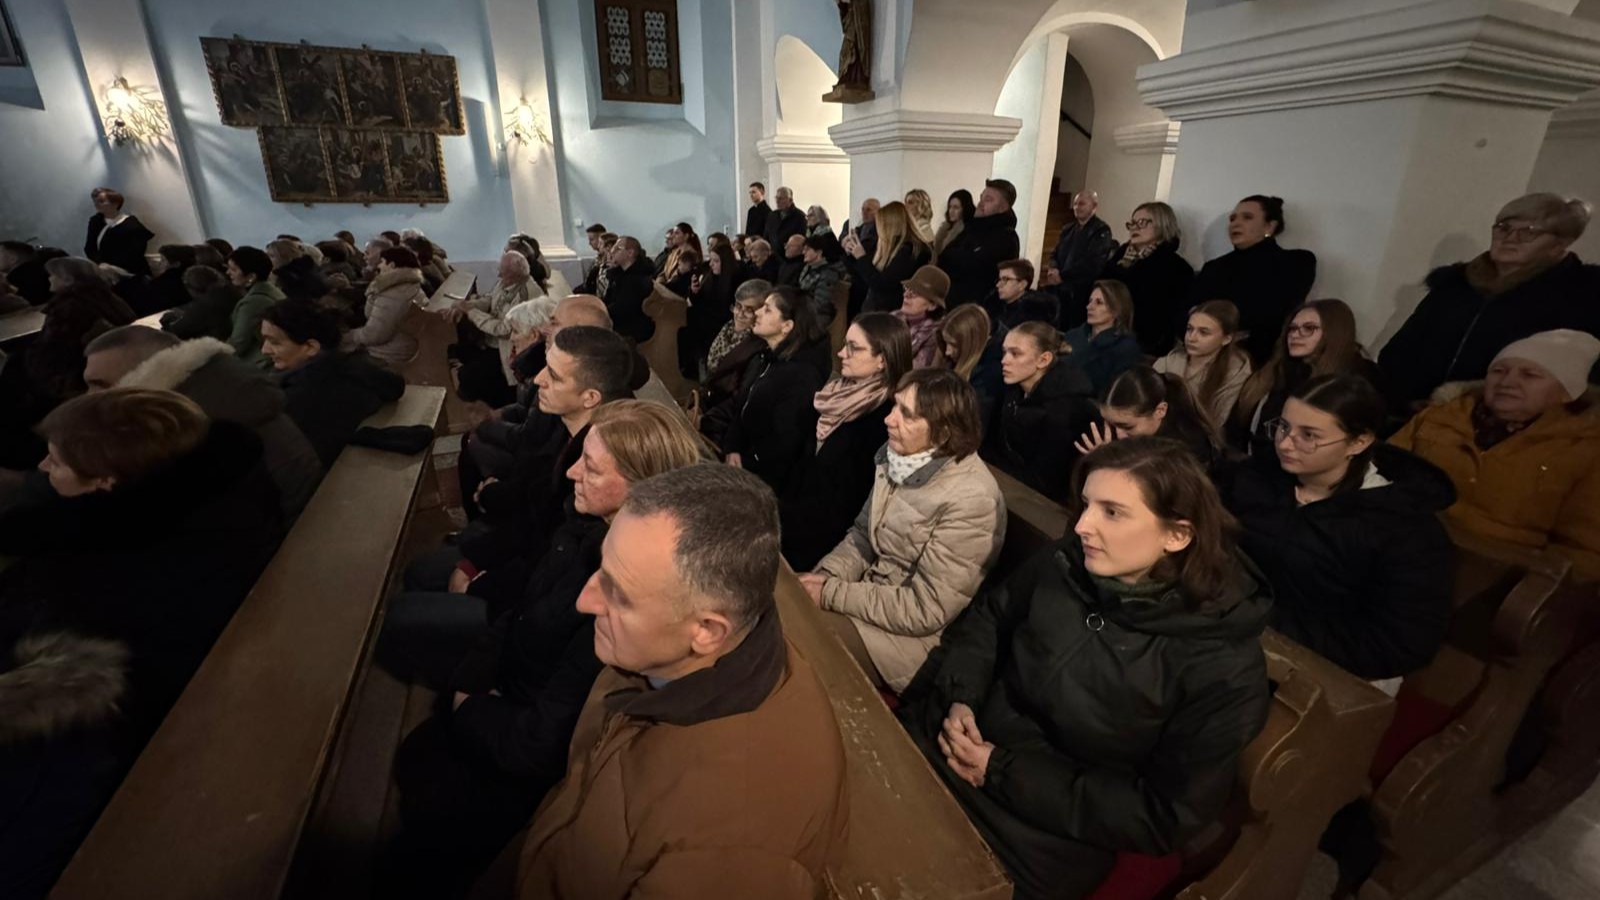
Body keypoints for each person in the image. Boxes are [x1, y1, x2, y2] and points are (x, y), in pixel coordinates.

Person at [899, 436, 1271, 900]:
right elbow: (991, 620)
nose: (1082, 526)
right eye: (1087, 504)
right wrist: (961, 696)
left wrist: (999, 770)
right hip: (946, 740)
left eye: (1112, 512)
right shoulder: (1067, 562)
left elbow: (1163, 814)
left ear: (1176, 535)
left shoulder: (1223, 668)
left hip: (1040, 831)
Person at [379, 403, 711, 899]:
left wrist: (471, 707)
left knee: (406, 851)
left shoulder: (629, 599)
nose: (572, 472)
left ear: (641, 488)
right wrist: (471, 682)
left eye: (591, 467)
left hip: (532, 758)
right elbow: (519, 613)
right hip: (507, 695)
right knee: (417, 757)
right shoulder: (580, 528)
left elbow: (546, 741)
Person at [512, 464, 847, 898]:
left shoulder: (729, 848)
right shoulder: (664, 657)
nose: (584, 600)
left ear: (707, 631)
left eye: (619, 594)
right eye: (601, 570)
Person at [0, 388, 284, 899]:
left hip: (110, 748)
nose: (42, 467)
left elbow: (53, 680)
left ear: (105, 482)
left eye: (56, 461)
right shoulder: (205, 499)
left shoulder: (105, 586)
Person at [1223, 374, 1454, 682]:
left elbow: (1399, 644)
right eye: (1283, 426)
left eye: (1309, 435)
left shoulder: (1403, 528)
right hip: (1237, 632)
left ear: (1359, 442)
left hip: (1325, 668)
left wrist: (1262, 624)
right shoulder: (1259, 475)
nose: (1285, 443)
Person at [801, 368, 1005, 691]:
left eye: (906, 414)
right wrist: (825, 575)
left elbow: (926, 608)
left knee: (801, 638)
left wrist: (830, 593)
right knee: (788, 604)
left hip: (912, 644)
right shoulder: (897, 457)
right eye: (895, 405)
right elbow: (862, 536)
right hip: (869, 601)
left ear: (943, 433)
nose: (889, 419)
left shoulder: (973, 500)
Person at [1391, 329, 1600, 581]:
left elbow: (1583, 553)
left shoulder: (1586, 449)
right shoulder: (1442, 416)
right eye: (1498, 371)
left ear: (1568, 392)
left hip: (1493, 579)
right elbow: (1376, 472)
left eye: (1530, 375)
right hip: (1397, 547)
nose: (1507, 382)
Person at [1379, 193, 1600, 412]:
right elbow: (1397, 353)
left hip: (1505, 424)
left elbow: (1582, 381)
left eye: (1528, 232)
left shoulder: (1584, 296)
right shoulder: (1454, 285)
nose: (1510, 238)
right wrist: (1403, 402)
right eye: (1504, 227)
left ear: (1559, 244)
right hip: (1415, 416)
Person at [83, 326, 321, 520]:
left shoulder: (183, 424)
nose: (89, 397)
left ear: (144, 375)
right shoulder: (223, 387)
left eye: (101, 385)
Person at [780, 313, 913, 570]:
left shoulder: (884, 422)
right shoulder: (834, 394)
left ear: (882, 360)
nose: (841, 353)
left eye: (854, 348)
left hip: (821, 547)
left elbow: (850, 502)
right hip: (788, 521)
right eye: (844, 344)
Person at [701, 286, 830, 495]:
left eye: (767, 310)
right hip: (740, 458)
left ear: (787, 326)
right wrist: (732, 446)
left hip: (764, 482)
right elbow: (742, 405)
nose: (758, 313)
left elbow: (784, 445)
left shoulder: (803, 377)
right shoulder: (766, 356)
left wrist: (745, 461)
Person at [259, 300, 405, 466]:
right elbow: (395, 386)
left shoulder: (296, 397)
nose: (264, 350)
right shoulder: (353, 367)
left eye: (275, 342)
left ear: (311, 347)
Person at [1230, 299, 1381, 458]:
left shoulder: (1352, 383)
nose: (1295, 335)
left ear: (1334, 332)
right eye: (1292, 329)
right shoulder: (1277, 370)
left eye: (1309, 328)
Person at [1190, 195, 1317, 366]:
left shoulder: (1296, 262)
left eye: (1247, 217)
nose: (1235, 224)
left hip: (1261, 359)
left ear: (1270, 226)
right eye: (1232, 219)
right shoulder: (1214, 267)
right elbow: (1191, 310)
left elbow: (1278, 312)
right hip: (1206, 355)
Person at [986, 320, 1098, 502]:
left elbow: (1046, 481)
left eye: (1015, 353)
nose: (1004, 360)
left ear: (1043, 360)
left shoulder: (1065, 410)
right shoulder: (1012, 389)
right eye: (1004, 352)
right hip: (1006, 486)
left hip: (1038, 502)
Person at [26, 257, 136, 403]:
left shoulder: (68, 307)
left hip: (75, 376)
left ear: (67, 279)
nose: (49, 278)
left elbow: (53, 349)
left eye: (53, 275)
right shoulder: (110, 299)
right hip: (113, 366)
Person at [1076, 366, 1222, 471]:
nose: (1118, 435)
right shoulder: (1112, 434)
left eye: (1127, 427)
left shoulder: (1187, 451)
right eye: (1109, 424)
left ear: (1160, 411)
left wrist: (1110, 464)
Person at [1100, 201, 1196, 353]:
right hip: (1106, 332)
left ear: (1162, 224)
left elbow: (1169, 315)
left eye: (1142, 222)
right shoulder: (1119, 258)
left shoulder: (1176, 268)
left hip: (1144, 343)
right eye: (1132, 223)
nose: (1134, 228)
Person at [449, 251, 540, 406]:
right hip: (492, 344)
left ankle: (490, 410)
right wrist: (467, 305)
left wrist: (472, 313)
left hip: (507, 350)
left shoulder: (525, 295)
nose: (498, 275)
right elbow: (490, 299)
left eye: (502, 272)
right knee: (460, 352)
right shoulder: (507, 282)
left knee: (467, 376)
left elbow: (504, 330)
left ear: (515, 274)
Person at [1154, 300, 1253, 428]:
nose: (1191, 338)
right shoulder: (1170, 361)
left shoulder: (1234, 374)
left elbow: (1215, 423)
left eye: (1204, 332)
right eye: (1189, 329)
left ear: (1226, 339)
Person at [938, 179, 1021, 307]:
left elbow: (973, 268)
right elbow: (945, 256)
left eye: (988, 199)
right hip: (951, 303)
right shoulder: (972, 228)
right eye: (981, 197)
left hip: (975, 308)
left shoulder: (1006, 238)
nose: (980, 203)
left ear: (1003, 208)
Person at [344, 245, 426, 370]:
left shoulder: (394, 293)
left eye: (382, 262)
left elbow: (375, 335)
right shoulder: (410, 285)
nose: (379, 266)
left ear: (391, 265)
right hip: (405, 345)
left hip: (390, 353)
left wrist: (346, 336)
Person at [1043, 191, 1116, 327]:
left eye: (1082, 204)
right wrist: (1053, 268)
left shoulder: (1101, 230)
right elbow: (1055, 253)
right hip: (1061, 289)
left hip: (1081, 290)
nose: (1077, 207)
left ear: (1094, 206)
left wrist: (1062, 275)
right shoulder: (1068, 229)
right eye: (1075, 204)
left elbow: (1092, 262)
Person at [846, 201, 931, 314]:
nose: (878, 229)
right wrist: (851, 255)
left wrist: (861, 257)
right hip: (878, 310)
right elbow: (865, 277)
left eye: (880, 225)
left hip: (891, 313)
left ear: (890, 225)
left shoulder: (910, 251)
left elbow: (884, 285)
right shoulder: (892, 246)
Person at [1063, 280, 1144, 396]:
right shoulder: (1072, 336)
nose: (1089, 307)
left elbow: (1116, 391)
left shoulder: (1125, 348)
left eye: (1099, 303)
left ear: (1116, 310)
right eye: (1090, 301)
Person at [938, 304, 1005, 436]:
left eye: (953, 345)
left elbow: (972, 431)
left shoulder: (989, 378)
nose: (947, 352)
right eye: (946, 343)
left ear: (970, 343)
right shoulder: (957, 362)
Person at [703, 279, 772, 409]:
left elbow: (740, 397)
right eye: (738, 306)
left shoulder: (759, 348)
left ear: (760, 313)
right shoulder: (727, 328)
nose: (740, 314)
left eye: (749, 310)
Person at [225, 246, 285, 370]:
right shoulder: (271, 290)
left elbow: (238, 343)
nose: (228, 273)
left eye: (233, 269)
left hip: (260, 364)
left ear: (251, 276)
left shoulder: (253, 303)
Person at [84, 187, 154, 277]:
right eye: (95, 202)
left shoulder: (131, 224)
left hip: (130, 272)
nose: (96, 204)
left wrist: (114, 268)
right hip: (103, 270)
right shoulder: (96, 221)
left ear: (115, 204)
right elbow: (90, 247)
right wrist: (100, 263)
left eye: (101, 201)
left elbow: (136, 252)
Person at [600, 236, 656, 345]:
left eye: (617, 249)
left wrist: (600, 312)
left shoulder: (638, 277)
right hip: (617, 319)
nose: (612, 252)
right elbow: (609, 299)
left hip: (632, 326)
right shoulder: (619, 274)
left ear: (630, 253)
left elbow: (625, 307)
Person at [160, 265, 239, 342]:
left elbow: (174, 332)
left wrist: (166, 322)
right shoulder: (229, 292)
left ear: (192, 288)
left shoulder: (205, 304)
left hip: (209, 345)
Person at [981, 258, 1058, 331]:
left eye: (1005, 279)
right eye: (999, 279)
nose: (998, 285)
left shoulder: (1032, 315)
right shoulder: (994, 307)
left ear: (1022, 285)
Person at [896, 265, 949, 369]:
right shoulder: (895, 316)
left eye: (916, 293)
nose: (906, 295)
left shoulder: (935, 336)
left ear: (933, 305)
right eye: (907, 288)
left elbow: (915, 372)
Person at [798, 233, 848, 328]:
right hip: (805, 310)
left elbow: (821, 302)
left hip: (818, 316)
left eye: (807, 249)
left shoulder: (828, 273)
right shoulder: (808, 269)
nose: (803, 252)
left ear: (819, 252)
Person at [145, 244, 197, 314]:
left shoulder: (161, 284)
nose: (159, 263)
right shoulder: (195, 278)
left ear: (176, 264)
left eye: (163, 260)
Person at [933, 189, 976, 261]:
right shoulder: (945, 228)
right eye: (950, 207)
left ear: (965, 209)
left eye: (956, 207)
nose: (951, 211)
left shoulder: (967, 232)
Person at [762, 185, 807, 250]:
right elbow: (766, 235)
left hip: (790, 253)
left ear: (790, 200)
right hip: (773, 253)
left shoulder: (800, 217)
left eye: (781, 198)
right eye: (776, 198)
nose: (777, 201)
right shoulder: (772, 215)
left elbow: (801, 239)